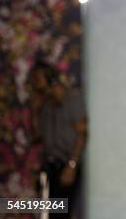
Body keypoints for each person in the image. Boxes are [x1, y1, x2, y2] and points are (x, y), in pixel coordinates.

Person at [32, 61, 88, 219]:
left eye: (38, 79)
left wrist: (72, 165)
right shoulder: (46, 105)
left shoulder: (73, 99)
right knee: (46, 213)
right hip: (50, 166)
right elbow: (37, 137)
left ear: (50, 78)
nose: (35, 84)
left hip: (67, 164)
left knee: (59, 213)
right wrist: (35, 112)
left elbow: (82, 134)